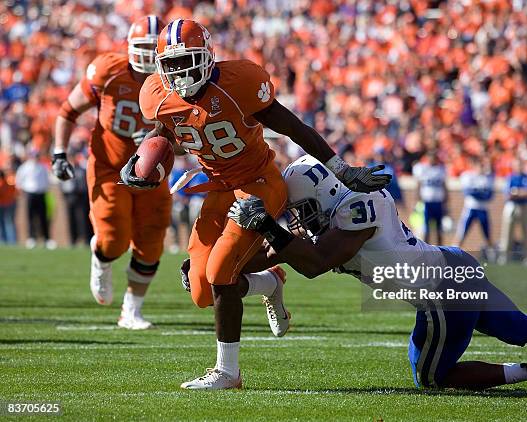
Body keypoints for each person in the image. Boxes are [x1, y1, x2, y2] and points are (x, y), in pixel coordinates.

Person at [123, 19, 390, 390]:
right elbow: (163, 131)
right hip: (218, 187)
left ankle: (227, 372)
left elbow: (293, 127)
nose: (180, 73)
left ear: (208, 56)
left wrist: (341, 169)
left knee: (219, 274)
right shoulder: (157, 94)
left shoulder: (239, 83)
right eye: (173, 65)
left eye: (188, 62)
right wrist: (140, 159)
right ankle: (268, 283)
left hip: (259, 184)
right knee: (201, 290)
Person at [228, 155, 527, 391]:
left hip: (441, 293)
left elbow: (312, 264)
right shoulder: (343, 210)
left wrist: (267, 225)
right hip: (453, 264)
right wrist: (224, 265)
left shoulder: (357, 209)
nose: (300, 218)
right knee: (520, 328)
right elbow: (284, 249)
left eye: (302, 208)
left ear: (323, 195)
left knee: (432, 378)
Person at [51, 16, 171, 329]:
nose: (148, 56)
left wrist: (153, 146)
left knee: (152, 238)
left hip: (150, 171)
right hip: (109, 166)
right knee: (114, 239)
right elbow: (68, 111)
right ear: (130, 48)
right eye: (143, 48)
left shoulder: (176, 78)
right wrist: (59, 152)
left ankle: (131, 311)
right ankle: (101, 255)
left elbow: (185, 141)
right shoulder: (108, 70)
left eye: (153, 49)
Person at [15, 149, 54, 249]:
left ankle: (47, 238)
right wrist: (23, 190)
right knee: (30, 217)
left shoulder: (42, 167)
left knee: (43, 217)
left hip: (41, 194)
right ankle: (31, 238)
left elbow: (47, 180)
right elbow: (19, 180)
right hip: (30, 194)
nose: (35, 158)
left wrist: (45, 189)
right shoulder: (24, 167)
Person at [456, 157, 494, 253]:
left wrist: (476, 193)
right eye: (480, 165)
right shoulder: (468, 176)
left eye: (483, 165)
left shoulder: (488, 178)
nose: (482, 167)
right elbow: (467, 192)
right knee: (462, 232)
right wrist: (481, 194)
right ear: (475, 166)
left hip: (483, 209)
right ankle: (454, 251)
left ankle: (492, 255)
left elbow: (489, 195)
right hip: (470, 208)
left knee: (487, 234)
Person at [498, 159, 527, 264]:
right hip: (512, 206)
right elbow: (507, 194)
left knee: (526, 233)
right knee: (507, 233)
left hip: (524, 206)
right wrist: (520, 192)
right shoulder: (510, 178)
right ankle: (504, 257)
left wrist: (516, 192)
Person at [59, 152, 93, 246]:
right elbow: (62, 184)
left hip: (81, 195)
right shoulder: (65, 171)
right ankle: (73, 240)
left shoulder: (82, 170)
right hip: (70, 195)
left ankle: (86, 239)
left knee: (83, 218)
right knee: (71, 218)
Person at [413, 151, 447, 244]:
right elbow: (418, 184)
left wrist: (446, 200)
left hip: (438, 202)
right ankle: (426, 248)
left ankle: (440, 249)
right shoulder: (423, 169)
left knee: (439, 228)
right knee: (426, 228)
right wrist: (417, 197)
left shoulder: (440, 169)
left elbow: (444, 185)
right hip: (427, 202)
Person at [0, 169, 17, 244]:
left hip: (4, 205)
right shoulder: (9, 182)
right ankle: (11, 240)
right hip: (10, 204)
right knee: (9, 223)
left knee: (5, 223)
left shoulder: (3, 183)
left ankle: (6, 240)